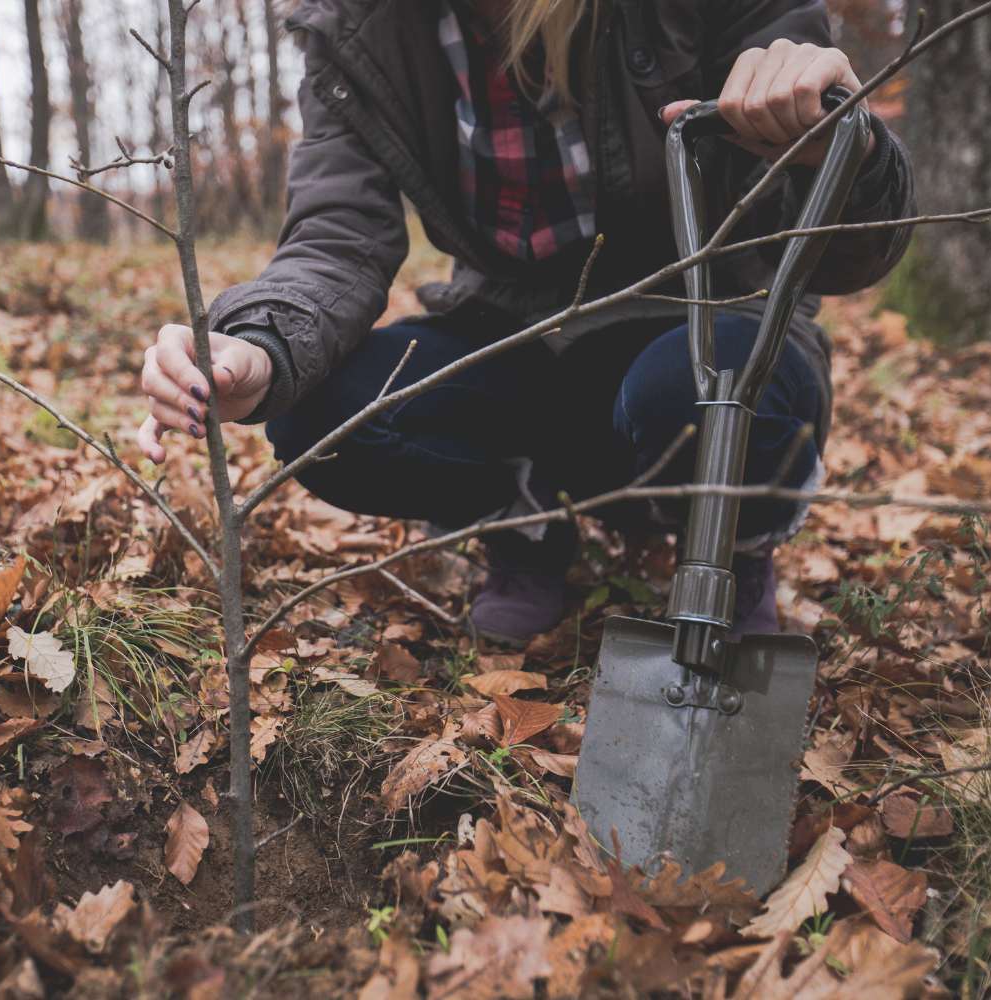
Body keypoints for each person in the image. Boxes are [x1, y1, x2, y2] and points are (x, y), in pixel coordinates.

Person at [137, 0, 915, 646]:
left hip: (702, 321)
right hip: (508, 334)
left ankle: (733, 543)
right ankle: (527, 520)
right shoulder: (358, 29)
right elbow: (336, 235)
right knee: (324, 416)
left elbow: (851, 254)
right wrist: (259, 343)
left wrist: (835, 135)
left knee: (694, 392)